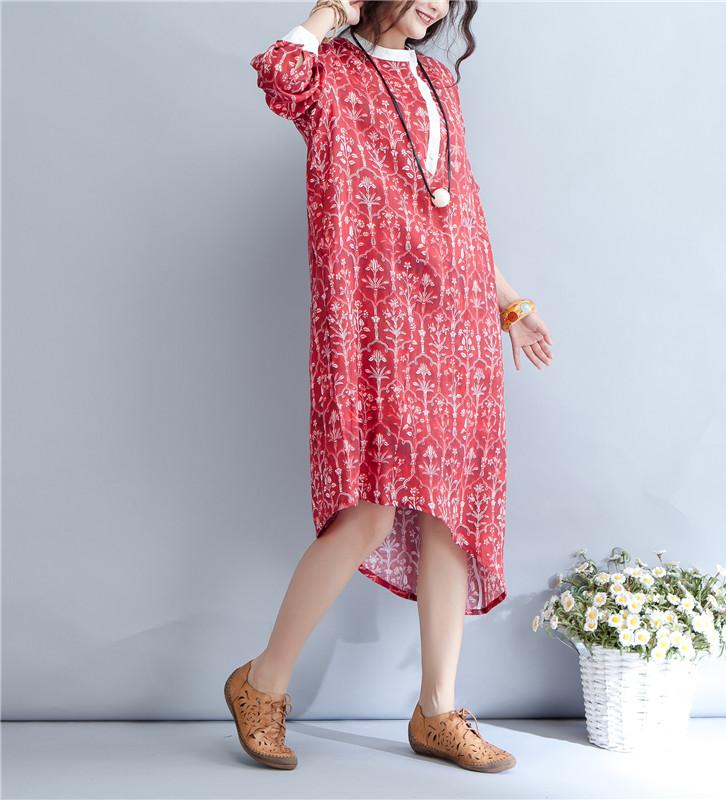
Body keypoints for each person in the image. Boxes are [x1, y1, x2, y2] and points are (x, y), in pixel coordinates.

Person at [226, 0, 553, 773]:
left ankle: (437, 709)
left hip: (457, 324)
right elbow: (277, 75)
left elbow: (461, 206)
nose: (435, 5)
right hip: (376, 321)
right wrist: (328, 12)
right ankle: (261, 682)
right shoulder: (331, 73)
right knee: (368, 511)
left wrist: (510, 304)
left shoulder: (440, 81)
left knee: (449, 513)